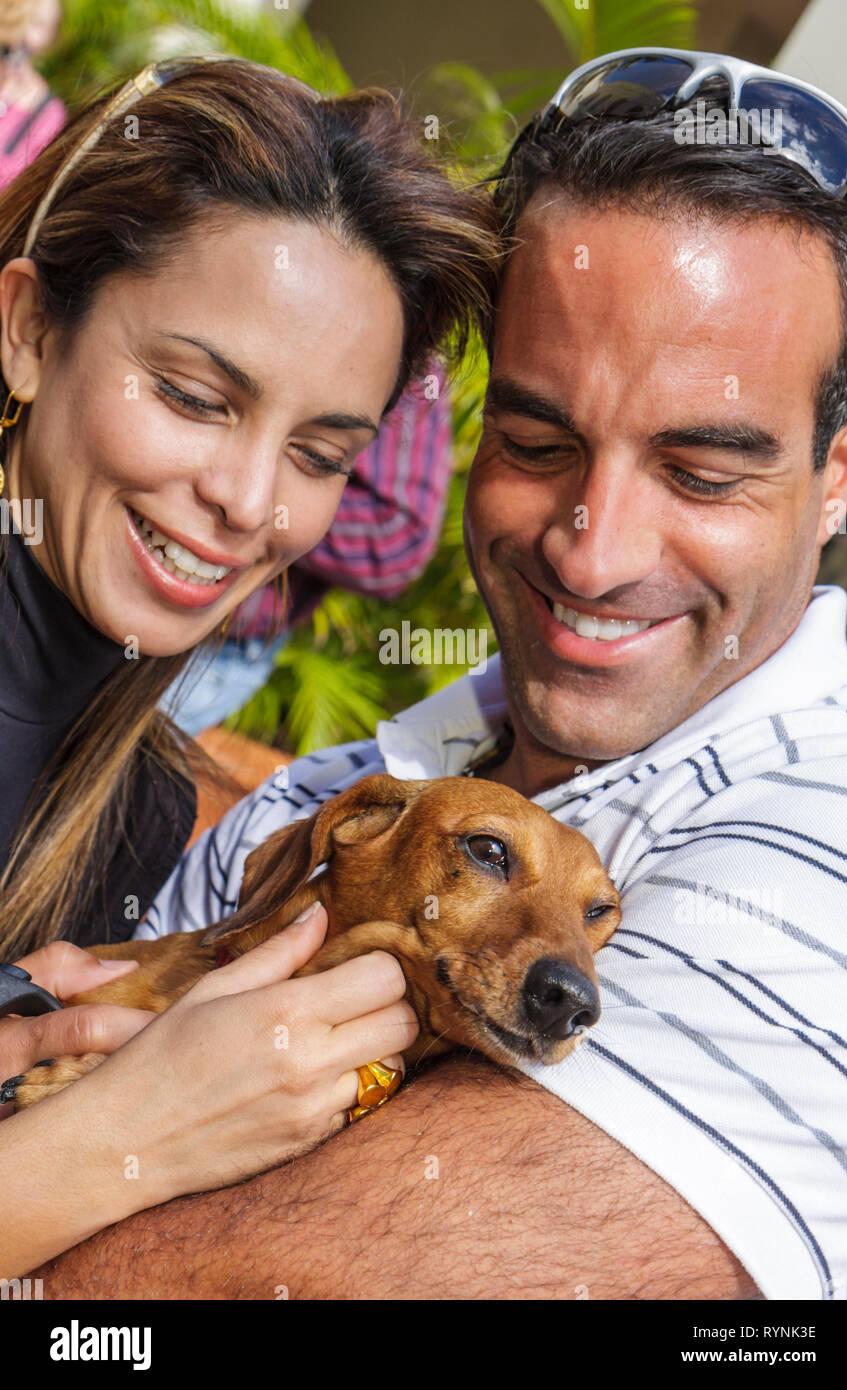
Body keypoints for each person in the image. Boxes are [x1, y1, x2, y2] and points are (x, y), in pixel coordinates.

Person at [28, 48, 847, 1302]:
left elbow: (217, 1291)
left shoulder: (827, 859)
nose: (595, 547)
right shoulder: (324, 799)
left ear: (840, 473)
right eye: (535, 440)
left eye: (700, 472)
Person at [0, 53, 499, 1276]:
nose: (246, 500)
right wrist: (126, 1137)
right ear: (26, 330)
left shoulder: (135, 811)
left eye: (321, 456)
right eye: (191, 394)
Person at [164, 376, 455, 735]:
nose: (244, 506)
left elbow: (395, 540)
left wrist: (278, 508)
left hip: (216, 649)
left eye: (318, 457)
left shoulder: (412, 362)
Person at [0, 0, 64, 189]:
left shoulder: (49, 113)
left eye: (38, 24)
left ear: (50, 38)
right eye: (21, 19)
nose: (24, 34)